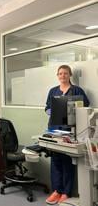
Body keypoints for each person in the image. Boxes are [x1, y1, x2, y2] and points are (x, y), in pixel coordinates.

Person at [45, 64, 90, 205]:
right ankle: (57, 190)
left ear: (70, 75)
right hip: (54, 129)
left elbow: (85, 108)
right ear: (57, 76)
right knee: (56, 161)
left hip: (70, 130)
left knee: (67, 162)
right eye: (60, 73)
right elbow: (47, 107)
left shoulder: (77, 90)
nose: (62, 76)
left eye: (65, 73)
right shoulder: (53, 91)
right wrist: (54, 112)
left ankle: (66, 192)